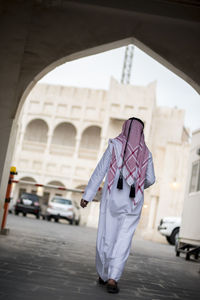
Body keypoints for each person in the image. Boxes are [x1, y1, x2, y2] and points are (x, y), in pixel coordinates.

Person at [80, 117, 155, 294]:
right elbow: (150, 179)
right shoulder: (146, 153)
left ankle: (103, 273)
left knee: (107, 235)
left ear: (124, 129)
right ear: (141, 132)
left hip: (112, 198)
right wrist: (137, 184)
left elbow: (101, 170)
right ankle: (113, 278)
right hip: (133, 202)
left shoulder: (115, 145)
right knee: (124, 239)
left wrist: (88, 195)